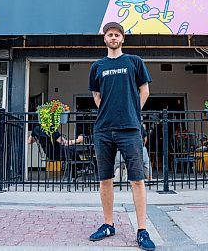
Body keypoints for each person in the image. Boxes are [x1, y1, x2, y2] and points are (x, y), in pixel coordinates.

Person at [88, 22, 155, 251]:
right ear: (105, 39)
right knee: (105, 179)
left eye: (117, 34)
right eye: (110, 34)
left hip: (130, 128)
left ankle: (142, 230)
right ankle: (108, 224)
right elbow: (96, 95)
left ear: (122, 39)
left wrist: (132, 111)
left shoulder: (134, 62)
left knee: (137, 179)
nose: (113, 38)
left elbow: (144, 90)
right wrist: (109, 112)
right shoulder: (97, 66)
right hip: (104, 129)